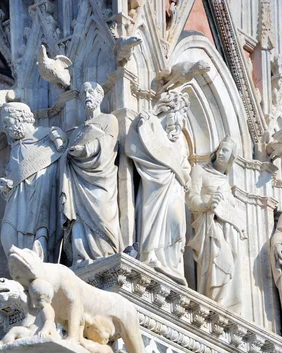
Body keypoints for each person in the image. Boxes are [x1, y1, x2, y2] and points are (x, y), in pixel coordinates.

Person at [125, 91, 191, 285]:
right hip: (154, 185)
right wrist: (142, 122)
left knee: (178, 221)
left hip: (174, 187)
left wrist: (182, 174)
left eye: (180, 118)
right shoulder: (152, 125)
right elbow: (133, 147)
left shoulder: (180, 143)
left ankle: (171, 264)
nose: (177, 122)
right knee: (153, 219)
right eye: (175, 114)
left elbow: (185, 168)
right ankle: (151, 255)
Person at [0, 99, 66, 261]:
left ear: (20, 117)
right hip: (18, 201)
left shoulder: (48, 136)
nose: (6, 128)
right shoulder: (15, 148)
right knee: (6, 236)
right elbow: (13, 176)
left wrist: (60, 140)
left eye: (7, 122)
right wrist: (6, 186)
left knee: (39, 238)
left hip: (40, 200)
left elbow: (65, 163)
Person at [60, 81, 121, 265]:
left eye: (91, 92)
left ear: (100, 96)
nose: (87, 95)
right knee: (79, 219)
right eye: (84, 92)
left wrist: (84, 151)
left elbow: (109, 144)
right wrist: (68, 154)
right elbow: (67, 155)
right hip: (78, 182)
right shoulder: (78, 130)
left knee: (103, 213)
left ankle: (105, 253)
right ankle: (81, 256)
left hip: (101, 178)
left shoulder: (109, 120)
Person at [186, 135, 246, 314]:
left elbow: (231, 208)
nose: (221, 153)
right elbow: (190, 196)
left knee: (229, 262)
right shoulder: (199, 170)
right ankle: (212, 299)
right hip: (208, 227)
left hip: (224, 230)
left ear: (231, 158)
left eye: (226, 151)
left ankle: (223, 304)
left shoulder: (225, 183)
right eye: (220, 148)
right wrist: (206, 205)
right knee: (222, 258)